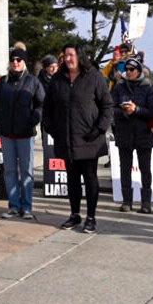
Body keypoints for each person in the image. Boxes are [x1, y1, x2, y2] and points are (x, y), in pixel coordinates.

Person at [42, 45, 112, 234]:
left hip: (90, 139)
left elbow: (107, 106)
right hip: (66, 139)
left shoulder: (94, 77)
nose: (67, 59)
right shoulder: (57, 79)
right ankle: (74, 214)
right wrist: (52, 128)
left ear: (79, 57)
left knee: (90, 179)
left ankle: (91, 217)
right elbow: (47, 108)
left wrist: (99, 129)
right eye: (65, 55)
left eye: (71, 55)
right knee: (72, 180)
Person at [0, 47, 45, 220]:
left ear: (24, 63)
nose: (15, 62)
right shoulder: (2, 82)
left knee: (27, 172)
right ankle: (13, 206)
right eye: (13, 59)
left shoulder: (33, 81)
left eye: (19, 60)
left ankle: (26, 207)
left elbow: (42, 104)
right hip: (7, 134)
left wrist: (35, 117)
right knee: (10, 171)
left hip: (25, 134)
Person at [111, 57, 153, 213]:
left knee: (145, 169)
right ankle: (127, 201)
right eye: (127, 70)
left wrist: (136, 110)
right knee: (124, 168)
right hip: (124, 132)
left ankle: (146, 203)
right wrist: (124, 112)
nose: (129, 72)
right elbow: (111, 109)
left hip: (143, 132)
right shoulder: (119, 87)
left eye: (132, 70)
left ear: (139, 71)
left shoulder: (149, 86)